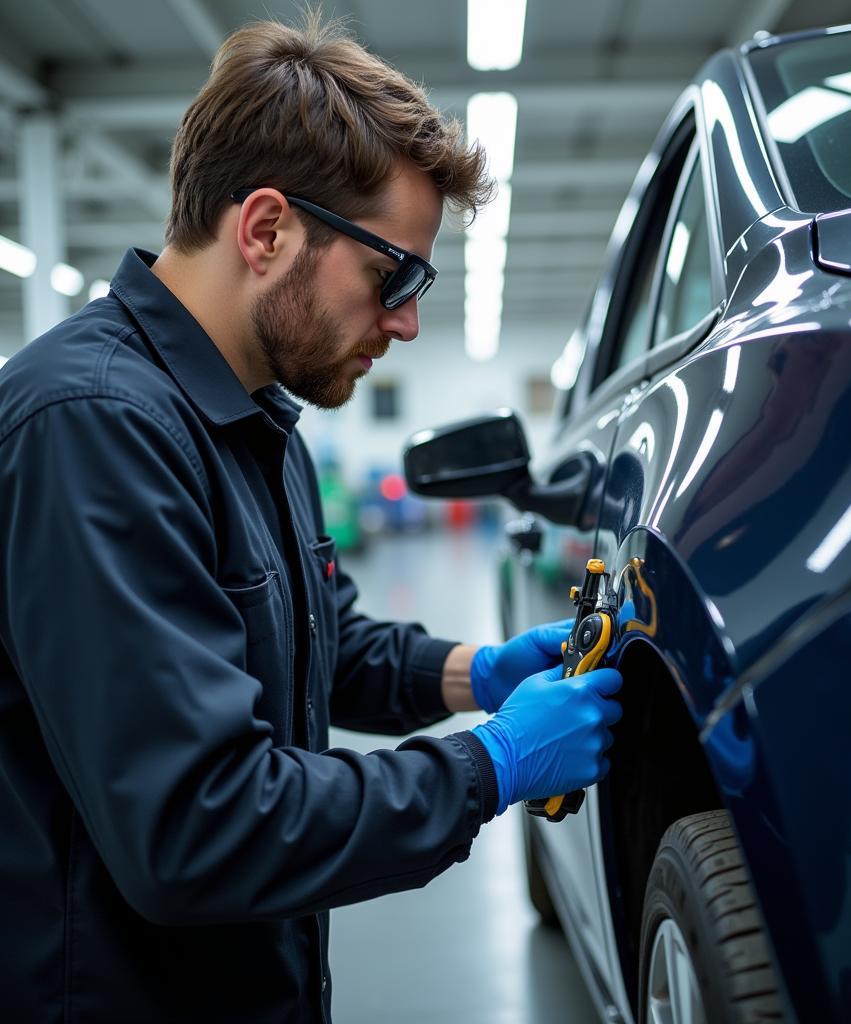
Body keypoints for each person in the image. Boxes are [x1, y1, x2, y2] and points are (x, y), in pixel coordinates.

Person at [0, 12, 623, 1024]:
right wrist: (489, 763)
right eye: (393, 276)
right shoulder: (94, 427)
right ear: (265, 230)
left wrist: (477, 671)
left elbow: (310, 645)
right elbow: (196, 829)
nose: (407, 320)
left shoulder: (256, 421)